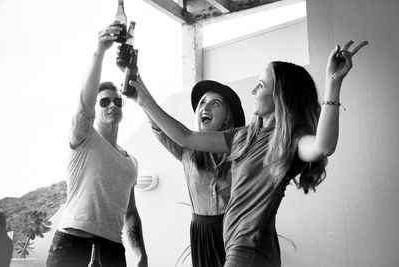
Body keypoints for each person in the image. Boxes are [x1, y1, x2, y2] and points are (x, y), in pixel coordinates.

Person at [129, 40, 368, 267]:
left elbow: (323, 147)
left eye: (261, 85)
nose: (254, 90)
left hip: (249, 251)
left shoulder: (290, 142)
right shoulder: (242, 137)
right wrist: (142, 96)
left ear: (280, 96)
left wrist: (333, 83)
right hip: (235, 247)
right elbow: (186, 137)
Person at [46, 21, 147, 267]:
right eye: (104, 102)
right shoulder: (84, 138)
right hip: (72, 245)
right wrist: (99, 51)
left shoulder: (130, 161)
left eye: (117, 101)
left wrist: (142, 254)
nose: (112, 104)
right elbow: (83, 107)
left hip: (113, 249)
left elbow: (130, 213)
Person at [150, 80, 245, 267]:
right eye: (202, 102)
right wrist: (140, 94)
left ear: (227, 117)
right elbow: (158, 126)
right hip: (202, 233)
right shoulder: (187, 150)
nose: (205, 107)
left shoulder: (243, 147)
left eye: (215, 103)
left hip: (237, 230)